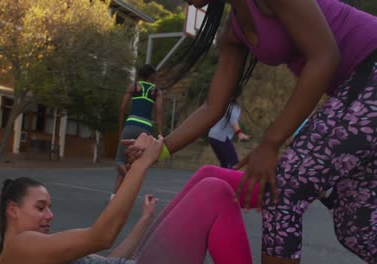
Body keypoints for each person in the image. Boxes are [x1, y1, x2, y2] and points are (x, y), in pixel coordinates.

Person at [125, 0, 377, 263]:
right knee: (356, 228)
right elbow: (213, 107)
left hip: (371, 72)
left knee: (285, 187)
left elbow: (325, 57)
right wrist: (158, 150)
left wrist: (270, 144)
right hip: (359, 89)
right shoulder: (234, 30)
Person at [0, 134, 255, 264]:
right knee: (213, 191)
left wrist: (144, 220)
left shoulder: (37, 249)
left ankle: (278, 192)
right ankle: (283, 192)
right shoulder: (18, 248)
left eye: (48, 208)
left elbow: (111, 256)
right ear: (13, 210)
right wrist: (143, 163)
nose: (49, 215)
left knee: (206, 174)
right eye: (40, 207)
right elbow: (101, 235)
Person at [110, 64, 163, 200]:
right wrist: (160, 135)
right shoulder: (156, 91)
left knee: (120, 161)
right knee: (132, 162)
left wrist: (121, 128)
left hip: (131, 125)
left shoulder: (133, 86)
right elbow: (159, 113)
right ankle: (115, 196)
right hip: (145, 129)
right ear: (152, 76)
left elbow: (122, 109)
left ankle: (128, 177)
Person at [208, 101, 250, 168]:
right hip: (221, 137)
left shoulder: (225, 105)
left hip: (212, 136)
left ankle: (220, 177)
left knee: (225, 163)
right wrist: (239, 133)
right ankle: (229, 178)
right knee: (235, 163)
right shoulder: (235, 107)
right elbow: (233, 120)